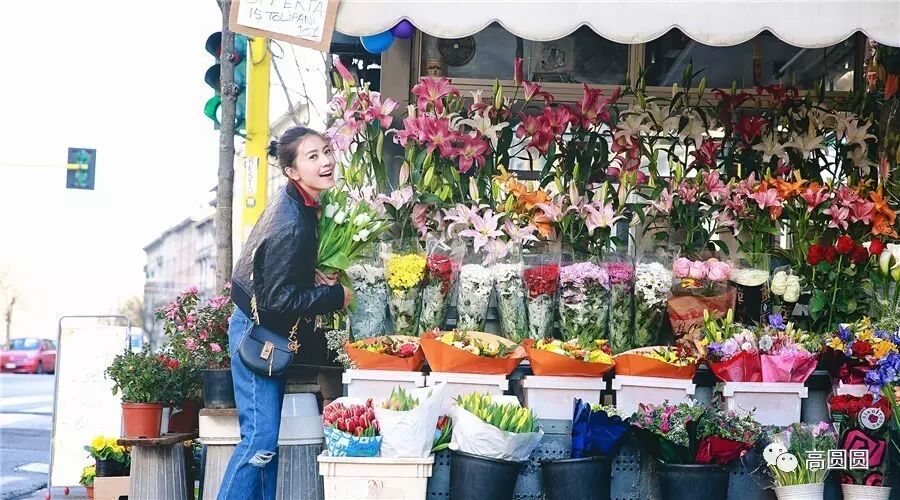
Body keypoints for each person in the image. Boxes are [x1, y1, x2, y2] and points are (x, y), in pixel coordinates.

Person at [218, 126, 353, 500]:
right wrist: (333, 296)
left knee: (264, 444)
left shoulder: (298, 204)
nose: (326, 161)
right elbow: (278, 301)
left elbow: (262, 268)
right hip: (256, 335)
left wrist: (305, 273)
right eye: (313, 157)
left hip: (260, 331)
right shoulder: (292, 221)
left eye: (326, 151)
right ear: (293, 171)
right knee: (258, 442)